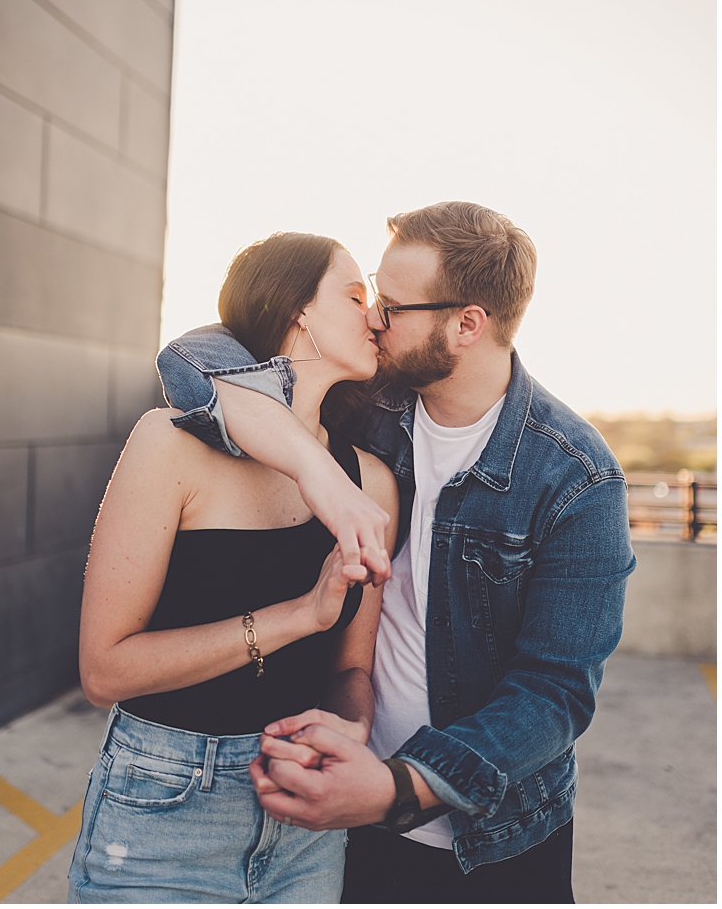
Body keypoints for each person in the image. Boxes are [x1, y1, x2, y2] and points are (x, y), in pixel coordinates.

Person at [157, 201, 634, 903]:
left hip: (497, 841)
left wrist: (394, 786)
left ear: (467, 323)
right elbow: (192, 357)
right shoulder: (367, 404)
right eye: (372, 293)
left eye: (395, 304)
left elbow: (554, 693)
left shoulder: (577, 478)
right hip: (339, 815)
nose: (374, 316)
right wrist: (319, 473)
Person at [68, 233, 401, 903]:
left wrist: (351, 728)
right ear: (297, 310)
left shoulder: (373, 481)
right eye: (356, 295)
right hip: (163, 806)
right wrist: (299, 615)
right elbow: (105, 671)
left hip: (305, 812)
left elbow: (351, 669)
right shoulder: (168, 442)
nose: (374, 317)